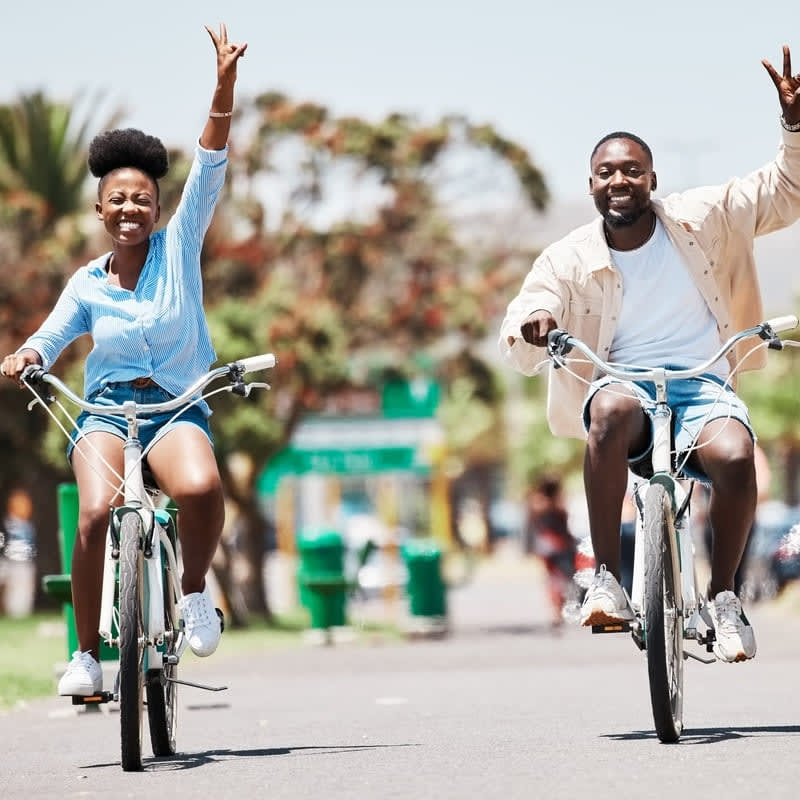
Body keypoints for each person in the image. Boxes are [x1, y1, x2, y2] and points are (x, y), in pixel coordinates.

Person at [499, 46, 800, 664]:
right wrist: (533, 321)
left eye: (632, 170)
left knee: (738, 454)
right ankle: (607, 578)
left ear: (653, 179)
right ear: (590, 184)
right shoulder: (569, 255)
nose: (619, 181)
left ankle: (723, 599)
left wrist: (794, 126)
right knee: (606, 412)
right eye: (607, 172)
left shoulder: (705, 217)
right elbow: (533, 299)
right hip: (625, 387)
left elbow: (785, 189)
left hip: (701, 386)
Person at [0, 23, 247, 695]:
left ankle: (194, 590)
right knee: (94, 513)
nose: (130, 207)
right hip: (106, 412)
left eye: (142, 198)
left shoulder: (179, 245)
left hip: (173, 406)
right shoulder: (87, 283)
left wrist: (223, 86)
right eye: (118, 200)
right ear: (101, 209)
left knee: (198, 489)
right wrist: (26, 354)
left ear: (159, 207)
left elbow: (211, 159)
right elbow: (51, 337)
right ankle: (85, 657)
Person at [523, 474, 577, 629]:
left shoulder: (537, 503)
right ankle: (557, 611)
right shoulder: (556, 504)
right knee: (560, 579)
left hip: (545, 545)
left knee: (553, 579)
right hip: (558, 545)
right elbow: (565, 524)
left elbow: (531, 525)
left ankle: (556, 611)